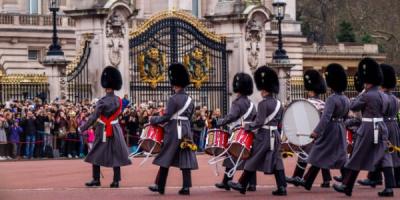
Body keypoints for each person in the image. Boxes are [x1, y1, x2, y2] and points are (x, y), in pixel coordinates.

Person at [333, 58, 395, 197]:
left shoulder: (367, 95)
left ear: (368, 81)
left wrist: (359, 95)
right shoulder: (383, 95)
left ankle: (347, 186)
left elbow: (353, 107)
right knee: (385, 156)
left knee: (357, 156)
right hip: (381, 126)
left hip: (367, 128)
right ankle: (389, 187)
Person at [228, 66, 287, 196]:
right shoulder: (278, 103)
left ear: (264, 90)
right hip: (275, 135)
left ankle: (242, 184)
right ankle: (282, 187)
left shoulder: (263, 104)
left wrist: (247, 127)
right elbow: (280, 122)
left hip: (264, 136)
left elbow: (259, 122)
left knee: (252, 158)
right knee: (277, 160)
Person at [293, 64, 349, 190]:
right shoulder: (345, 98)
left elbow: (325, 118)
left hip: (330, 130)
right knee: (329, 156)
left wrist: (316, 132)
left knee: (319, 154)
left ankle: (347, 182)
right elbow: (346, 116)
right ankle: (307, 181)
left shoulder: (331, 99)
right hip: (340, 128)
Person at [148, 63, 198, 195]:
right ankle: (186, 187)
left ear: (174, 83)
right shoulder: (190, 100)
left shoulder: (173, 99)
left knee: (166, 156)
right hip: (186, 129)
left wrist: (153, 119)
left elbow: (167, 116)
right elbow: (190, 117)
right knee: (185, 156)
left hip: (175, 130)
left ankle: (160, 186)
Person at [79, 66, 132, 188]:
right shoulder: (119, 101)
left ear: (105, 86)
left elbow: (93, 117)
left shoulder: (102, 101)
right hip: (116, 128)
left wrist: (83, 128)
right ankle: (116, 181)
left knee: (95, 153)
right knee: (116, 154)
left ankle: (96, 179)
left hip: (103, 129)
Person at [286, 69, 333, 188]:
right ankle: (326, 179)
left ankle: (297, 176)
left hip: (309, 133)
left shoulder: (305, 103)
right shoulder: (324, 104)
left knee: (304, 154)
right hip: (321, 133)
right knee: (321, 155)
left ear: (311, 92)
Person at [357, 63, 400, 188]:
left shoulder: (382, 97)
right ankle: (396, 179)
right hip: (394, 126)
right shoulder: (394, 98)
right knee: (393, 154)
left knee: (379, 152)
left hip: (383, 125)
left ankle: (375, 177)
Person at [214, 72, 257, 191]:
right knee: (249, 158)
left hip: (238, 132)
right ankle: (252, 184)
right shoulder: (252, 104)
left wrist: (220, 122)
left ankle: (226, 182)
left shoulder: (237, 102)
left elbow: (231, 116)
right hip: (249, 133)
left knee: (231, 155)